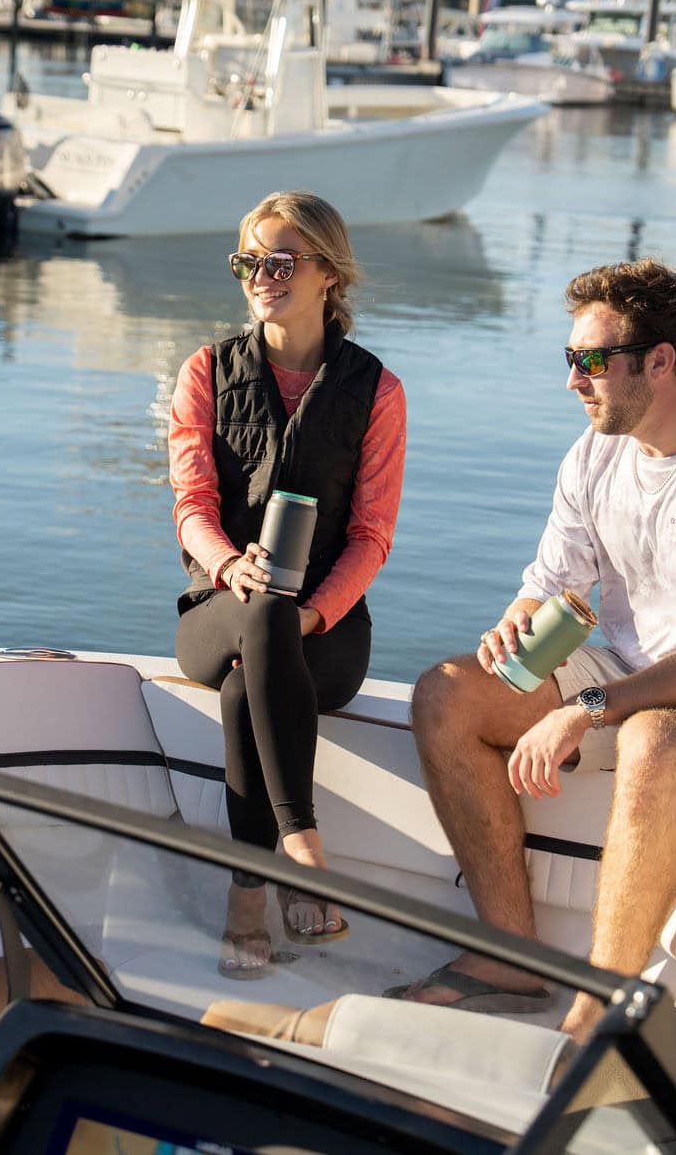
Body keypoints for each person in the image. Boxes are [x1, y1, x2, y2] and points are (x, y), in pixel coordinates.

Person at [396, 260, 676, 1034]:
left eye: (590, 360)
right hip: (631, 667)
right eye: (570, 359)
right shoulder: (594, 455)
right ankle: (506, 953)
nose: (573, 380)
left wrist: (586, 709)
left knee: (653, 738)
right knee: (446, 692)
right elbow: (551, 577)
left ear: (659, 361)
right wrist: (519, 618)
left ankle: (597, 1011)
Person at [168, 191, 407, 979]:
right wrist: (229, 566)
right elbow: (192, 507)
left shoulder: (378, 391)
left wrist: (313, 614)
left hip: (329, 633)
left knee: (249, 685)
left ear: (329, 274)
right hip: (217, 612)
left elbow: (372, 537)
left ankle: (248, 896)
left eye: (280, 261)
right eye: (249, 262)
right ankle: (302, 846)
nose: (261, 277)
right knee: (256, 619)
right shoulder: (206, 371)